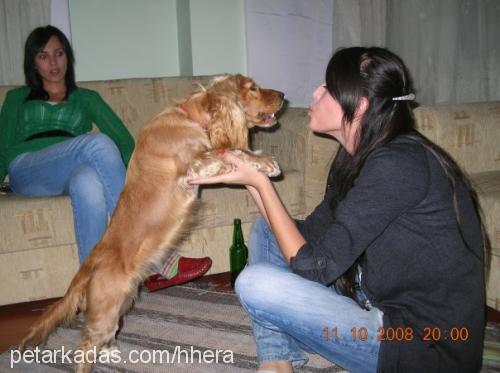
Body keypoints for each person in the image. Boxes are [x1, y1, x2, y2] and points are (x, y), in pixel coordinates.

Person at [190, 47, 488, 372]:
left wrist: (260, 184)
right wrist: (250, 179)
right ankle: (277, 361)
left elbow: (313, 267)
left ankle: (279, 353)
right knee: (266, 228)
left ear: (359, 106)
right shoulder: (360, 155)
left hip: (421, 346)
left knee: (255, 284)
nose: (315, 92)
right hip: (372, 299)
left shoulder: (398, 164)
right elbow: (315, 234)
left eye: (327, 88)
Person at [0, 25, 211, 291]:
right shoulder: (17, 98)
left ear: (68, 57)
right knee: (98, 142)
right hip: (28, 167)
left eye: (59, 53)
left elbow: (124, 141)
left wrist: (141, 177)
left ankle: (96, 292)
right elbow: (2, 146)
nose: (53, 62)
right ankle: (157, 258)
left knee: (89, 182)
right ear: (33, 62)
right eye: (43, 56)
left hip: (71, 167)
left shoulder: (87, 98)